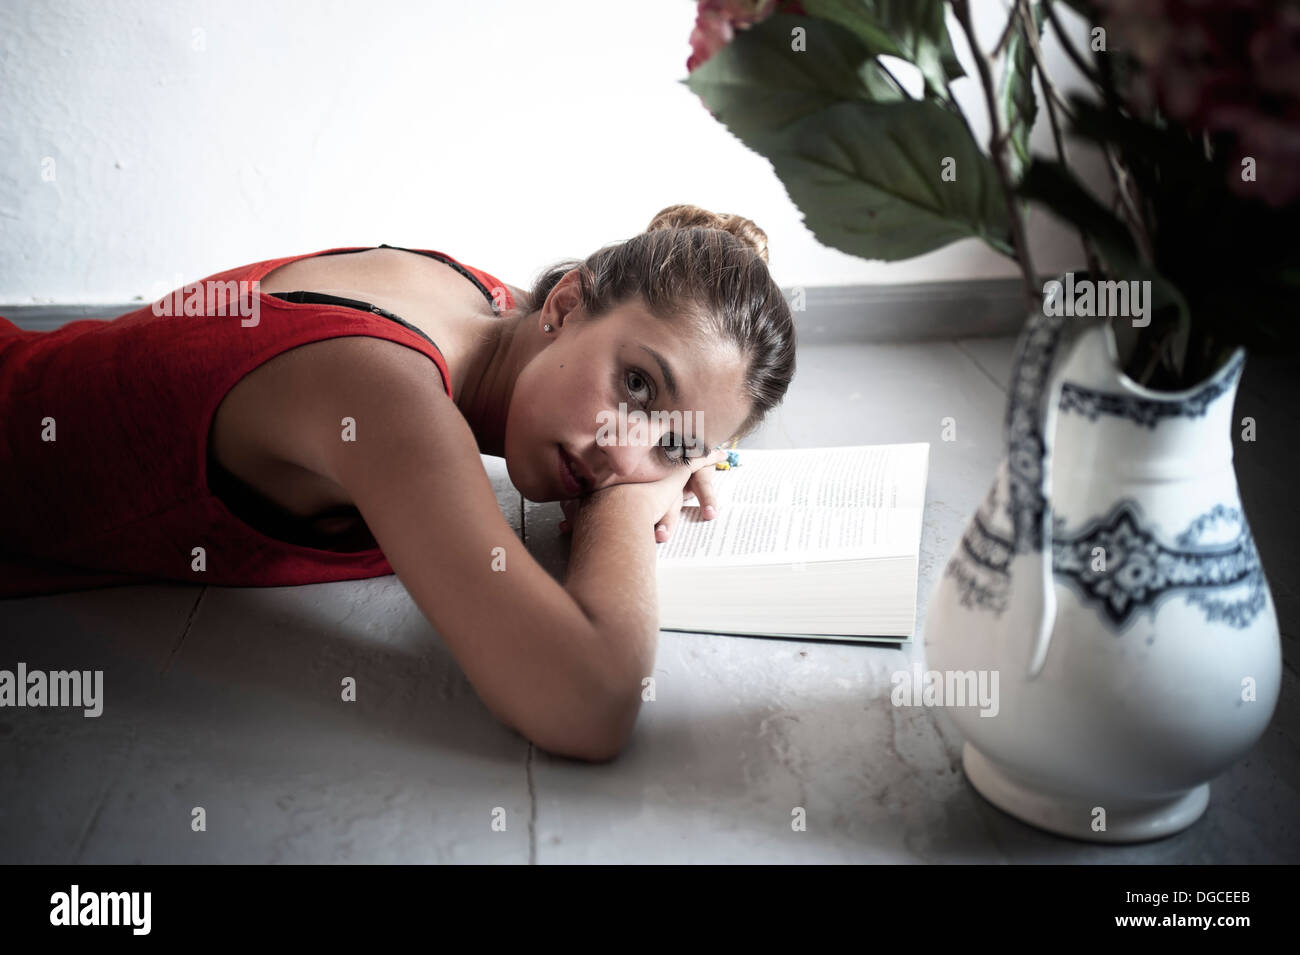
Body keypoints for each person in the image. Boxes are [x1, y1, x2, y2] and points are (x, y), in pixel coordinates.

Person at [0, 203, 797, 760]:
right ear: (564, 302)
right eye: (636, 385)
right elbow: (587, 704)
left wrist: (663, 437)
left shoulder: (478, 300)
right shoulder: (383, 392)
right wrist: (632, 502)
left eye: (675, 445)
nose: (623, 452)